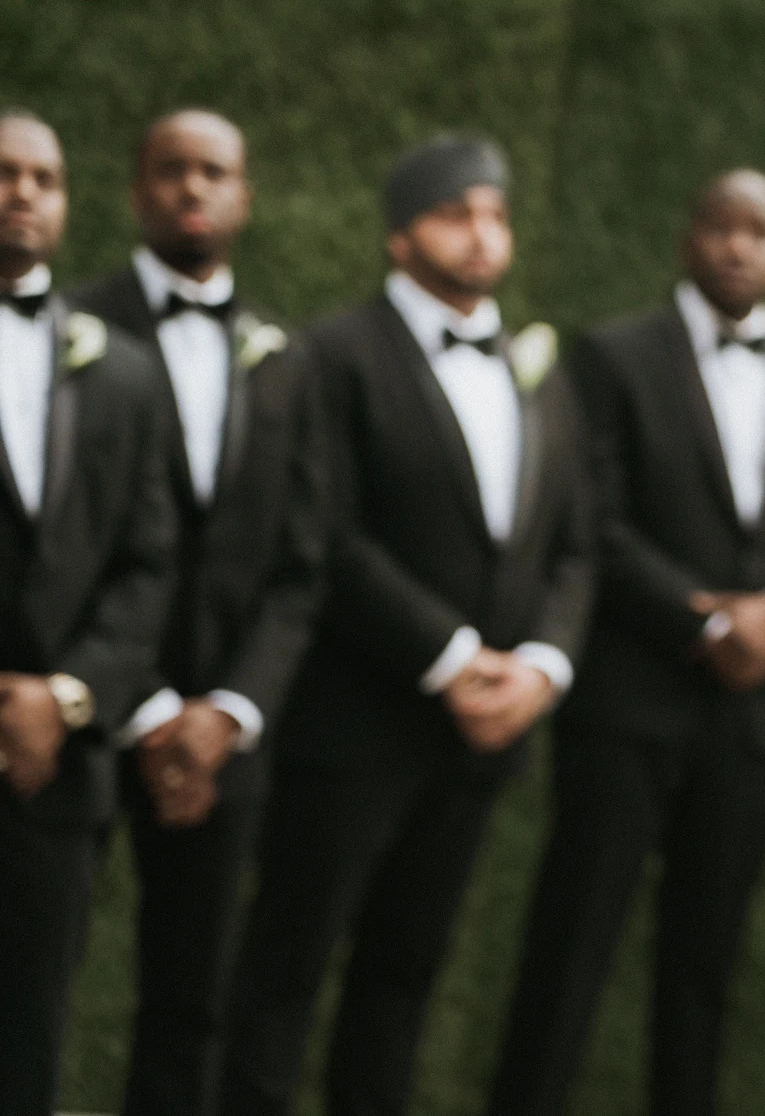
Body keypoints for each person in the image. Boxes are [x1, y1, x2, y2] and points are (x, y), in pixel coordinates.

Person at [219, 135, 593, 1116]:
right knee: (284, 972)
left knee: (403, 979)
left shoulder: (536, 364)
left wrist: (540, 669)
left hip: (480, 743)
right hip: (352, 729)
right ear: (398, 235)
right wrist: (457, 658)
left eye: (495, 215)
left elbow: (576, 543)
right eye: (455, 213)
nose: (481, 234)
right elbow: (325, 535)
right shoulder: (333, 353)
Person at [489, 169, 765, 1116]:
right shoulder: (612, 355)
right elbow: (591, 518)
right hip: (628, 704)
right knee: (572, 944)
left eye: (762, 232)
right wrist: (701, 621)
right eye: (723, 227)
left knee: (705, 964)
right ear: (690, 239)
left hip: (753, 721)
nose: (740, 247)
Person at [70, 109, 323, 1116]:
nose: (191, 187)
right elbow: (52, 554)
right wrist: (138, 704)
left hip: (226, 735)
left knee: (192, 1001)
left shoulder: (286, 358)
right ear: (136, 191)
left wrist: (226, 713)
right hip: (88, 717)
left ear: (243, 196)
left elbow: (303, 564)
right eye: (170, 170)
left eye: (213, 170)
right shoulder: (71, 334)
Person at [0, 111, 178, 1116]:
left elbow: (147, 567)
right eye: (3, 173)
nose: (23, 192)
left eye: (45, 177)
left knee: (31, 1036)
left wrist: (61, 698)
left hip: (58, 771)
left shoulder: (123, 372)